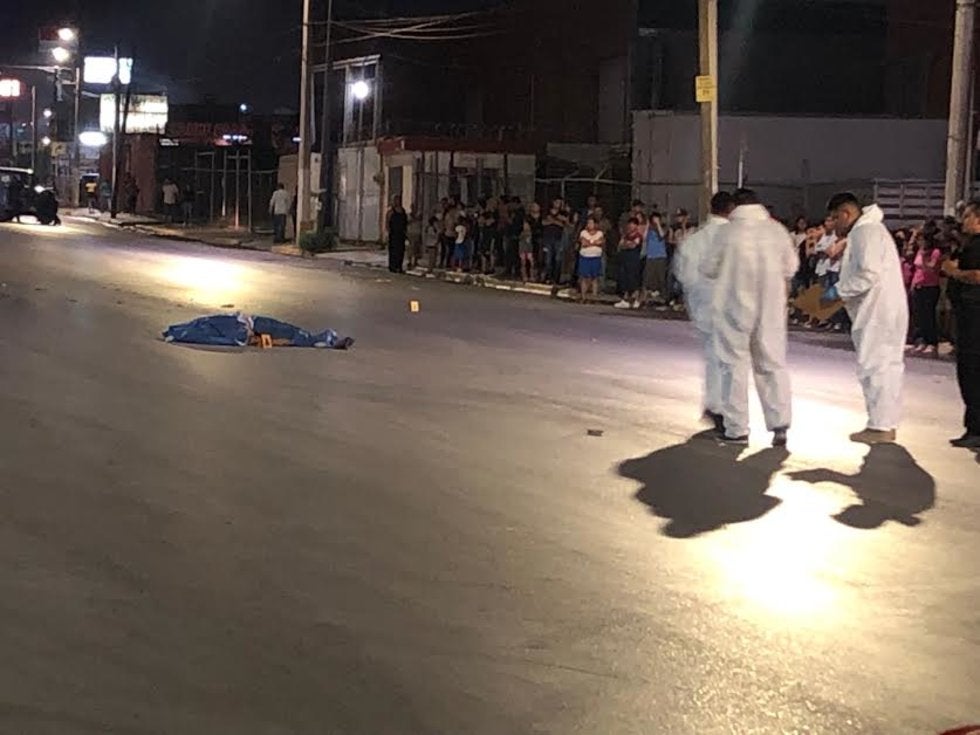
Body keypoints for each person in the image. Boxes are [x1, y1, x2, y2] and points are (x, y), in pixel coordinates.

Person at [703, 189, 798, 446]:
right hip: (770, 308)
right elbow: (791, 267)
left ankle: (737, 429)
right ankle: (780, 425)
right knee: (772, 364)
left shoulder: (727, 232)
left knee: (733, 366)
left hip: (733, 307)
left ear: (735, 206)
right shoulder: (777, 231)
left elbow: (708, 268)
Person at [826, 192, 909, 444]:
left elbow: (868, 274)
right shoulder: (872, 230)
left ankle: (879, 425)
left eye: (834, 218)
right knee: (887, 367)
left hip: (877, 312)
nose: (832, 225)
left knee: (875, 366)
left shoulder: (865, 232)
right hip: (885, 309)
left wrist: (838, 291)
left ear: (846, 214)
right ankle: (886, 423)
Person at [675, 191, 735, 432]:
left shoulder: (694, 239)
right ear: (731, 211)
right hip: (729, 306)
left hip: (701, 306)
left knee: (713, 356)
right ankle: (721, 407)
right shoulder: (733, 237)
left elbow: (683, 274)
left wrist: (697, 296)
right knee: (728, 361)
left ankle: (714, 404)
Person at [941, 199, 980, 448]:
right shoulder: (968, 245)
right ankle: (973, 427)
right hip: (967, 315)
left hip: (975, 318)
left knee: (972, 373)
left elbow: (977, 275)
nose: (963, 221)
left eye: (967, 216)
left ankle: (976, 429)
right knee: (969, 372)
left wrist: (953, 272)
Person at [907, 229, 943, 357]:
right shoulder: (919, 251)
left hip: (930, 286)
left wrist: (923, 258)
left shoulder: (935, 252)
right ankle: (920, 340)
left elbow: (931, 267)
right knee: (918, 316)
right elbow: (916, 268)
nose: (919, 242)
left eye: (921, 239)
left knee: (928, 315)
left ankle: (931, 342)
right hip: (918, 285)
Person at [614, 216, 644, 309]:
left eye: (633, 224)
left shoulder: (638, 236)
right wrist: (626, 244)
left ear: (636, 226)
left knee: (633, 280)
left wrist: (626, 244)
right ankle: (625, 299)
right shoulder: (625, 235)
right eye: (629, 224)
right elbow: (620, 245)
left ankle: (635, 300)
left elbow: (633, 245)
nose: (630, 226)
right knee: (624, 279)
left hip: (634, 260)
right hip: (624, 260)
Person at [640, 212, 669, 307]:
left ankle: (663, 298)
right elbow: (644, 238)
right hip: (650, 256)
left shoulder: (664, 227)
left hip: (660, 256)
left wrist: (658, 225)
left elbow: (662, 235)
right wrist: (648, 226)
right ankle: (644, 298)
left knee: (661, 277)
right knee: (647, 277)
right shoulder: (649, 230)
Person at [577, 216, 605, 303]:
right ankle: (583, 296)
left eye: (591, 223)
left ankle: (594, 297)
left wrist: (590, 242)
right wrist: (594, 243)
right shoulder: (583, 232)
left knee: (594, 277)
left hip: (596, 257)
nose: (590, 225)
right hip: (585, 257)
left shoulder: (600, 233)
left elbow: (600, 242)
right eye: (588, 223)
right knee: (584, 277)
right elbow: (583, 243)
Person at [386, 195, 408, 273]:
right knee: (393, 250)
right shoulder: (391, 212)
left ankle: (399, 266)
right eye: (395, 200)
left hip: (401, 234)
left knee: (401, 250)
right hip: (393, 234)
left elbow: (405, 222)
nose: (397, 201)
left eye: (398, 200)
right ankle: (392, 266)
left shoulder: (403, 211)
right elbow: (387, 222)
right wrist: (388, 231)